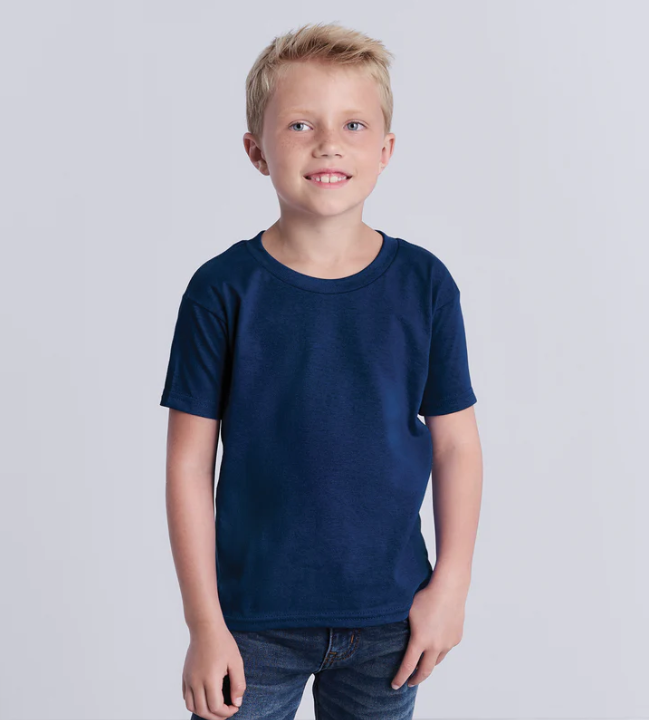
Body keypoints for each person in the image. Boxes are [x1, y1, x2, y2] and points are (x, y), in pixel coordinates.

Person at [160, 21, 483, 720]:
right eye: (300, 124)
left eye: (353, 124)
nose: (328, 143)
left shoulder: (425, 285)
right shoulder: (221, 290)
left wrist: (451, 585)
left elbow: (456, 444)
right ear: (256, 150)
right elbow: (188, 462)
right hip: (251, 624)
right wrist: (203, 624)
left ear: (386, 149)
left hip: (390, 618)